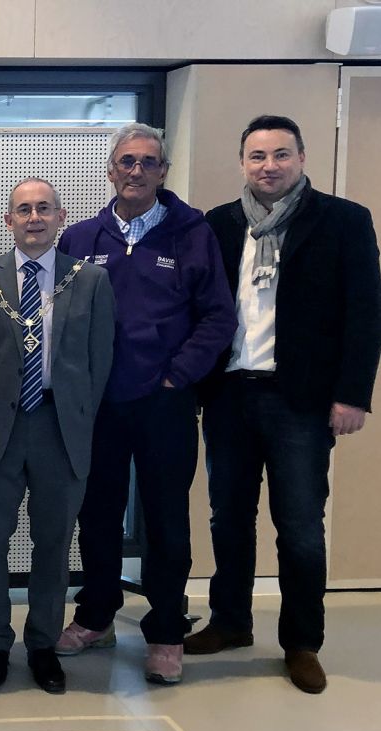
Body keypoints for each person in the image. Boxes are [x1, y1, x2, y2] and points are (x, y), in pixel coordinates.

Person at [188, 115, 381, 694]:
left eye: (279, 154)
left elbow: (365, 314)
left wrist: (352, 395)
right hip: (230, 392)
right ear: (242, 162)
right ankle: (230, 622)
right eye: (256, 156)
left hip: (301, 399)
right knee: (228, 518)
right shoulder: (218, 225)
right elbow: (199, 308)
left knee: (299, 526)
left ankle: (302, 641)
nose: (268, 165)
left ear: (301, 157)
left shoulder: (343, 221)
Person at [55, 124, 236, 685]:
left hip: (165, 404)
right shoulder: (81, 239)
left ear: (163, 171)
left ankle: (164, 630)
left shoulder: (192, 233)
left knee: (164, 519)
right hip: (101, 407)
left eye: (148, 162)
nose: (136, 170)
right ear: (110, 169)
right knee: (98, 514)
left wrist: (176, 377)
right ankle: (97, 615)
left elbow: (218, 317)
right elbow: (58, 320)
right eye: (126, 161)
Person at [0, 179, 114, 695]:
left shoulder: (89, 279)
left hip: (59, 428)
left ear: (60, 218)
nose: (34, 218)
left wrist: (77, 423)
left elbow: (100, 362)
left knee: (53, 542)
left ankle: (43, 644)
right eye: (23, 210)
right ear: (8, 220)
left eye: (44, 209)